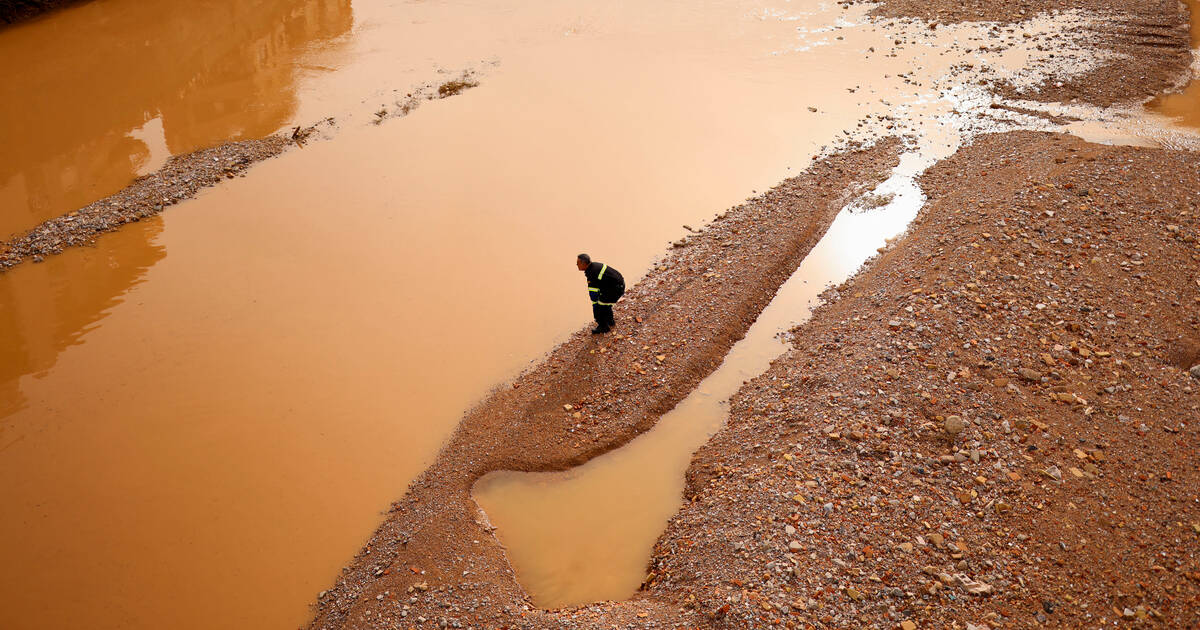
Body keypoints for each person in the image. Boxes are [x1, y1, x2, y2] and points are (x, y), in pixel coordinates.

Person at [576, 253, 624, 334]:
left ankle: (603, 327)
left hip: (615, 290)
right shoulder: (594, 266)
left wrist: (595, 305)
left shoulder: (591, 273)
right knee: (605, 304)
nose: (576, 265)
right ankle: (610, 321)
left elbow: (593, 294)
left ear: (583, 264)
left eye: (578, 263)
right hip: (618, 285)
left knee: (598, 308)